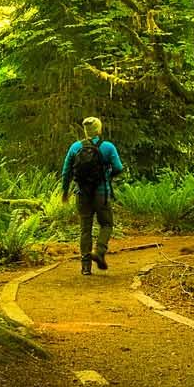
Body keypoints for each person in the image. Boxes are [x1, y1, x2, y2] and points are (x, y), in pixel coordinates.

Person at [61, 116, 123, 275]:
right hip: (101, 193)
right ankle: (100, 251)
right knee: (107, 224)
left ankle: (85, 267)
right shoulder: (108, 147)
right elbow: (118, 167)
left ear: (86, 131)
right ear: (99, 129)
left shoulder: (75, 147)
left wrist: (65, 191)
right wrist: (108, 175)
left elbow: (66, 171)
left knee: (85, 229)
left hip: (82, 193)